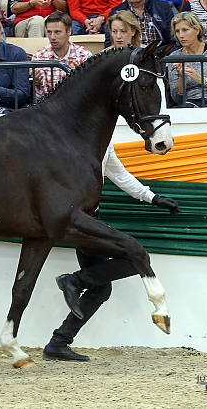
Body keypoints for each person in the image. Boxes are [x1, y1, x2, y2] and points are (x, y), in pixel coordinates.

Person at [43, 148, 180, 362]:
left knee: (100, 290)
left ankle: (57, 344)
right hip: (80, 222)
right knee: (137, 258)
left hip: (91, 221)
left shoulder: (105, 145)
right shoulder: (68, 140)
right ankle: (73, 281)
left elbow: (120, 175)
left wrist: (153, 198)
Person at [166, 11, 207, 107]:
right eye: (177, 31)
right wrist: (182, 78)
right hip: (189, 103)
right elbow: (176, 98)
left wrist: (200, 79)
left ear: (197, 30)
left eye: (185, 30)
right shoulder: (174, 56)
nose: (181, 35)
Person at [31, 11, 92, 99]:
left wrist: (80, 78)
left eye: (57, 32)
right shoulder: (39, 56)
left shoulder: (84, 55)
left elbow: (89, 94)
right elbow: (38, 99)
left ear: (69, 31)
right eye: (49, 32)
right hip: (49, 108)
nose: (52, 37)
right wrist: (38, 84)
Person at [105, 0, 174, 48]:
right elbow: (110, 43)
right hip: (129, 57)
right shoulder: (116, 13)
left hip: (159, 57)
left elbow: (174, 39)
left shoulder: (163, 8)